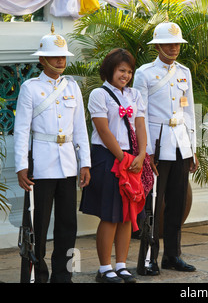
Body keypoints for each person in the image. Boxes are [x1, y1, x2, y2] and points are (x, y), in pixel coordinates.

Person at [14, 25, 91, 283]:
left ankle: (64, 275)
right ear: (42, 59)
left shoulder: (72, 88)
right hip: (41, 166)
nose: (61, 61)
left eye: (64, 57)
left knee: (68, 226)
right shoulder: (30, 88)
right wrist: (21, 166)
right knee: (37, 225)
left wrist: (85, 164)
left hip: (68, 165)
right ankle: (35, 275)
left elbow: (80, 128)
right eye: (56, 57)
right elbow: (22, 130)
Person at [133, 22, 198, 275]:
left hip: (180, 144)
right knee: (153, 205)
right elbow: (140, 114)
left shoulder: (184, 72)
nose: (174, 48)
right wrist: (145, 151)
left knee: (177, 203)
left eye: (177, 44)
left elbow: (189, 111)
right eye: (169, 44)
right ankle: (150, 256)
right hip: (157, 146)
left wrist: (193, 148)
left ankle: (173, 255)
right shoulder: (145, 73)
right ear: (157, 45)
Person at [79, 48, 148, 283]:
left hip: (131, 158)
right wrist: (123, 158)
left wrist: (141, 155)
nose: (125, 75)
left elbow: (140, 125)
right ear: (110, 70)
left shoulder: (135, 95)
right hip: (108, 158)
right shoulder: (100, 95)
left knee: (127, 214)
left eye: (129, 71)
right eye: (121, 70)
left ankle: (121, 265)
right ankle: (104, 268)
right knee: (109, 214)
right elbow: (103, 129)